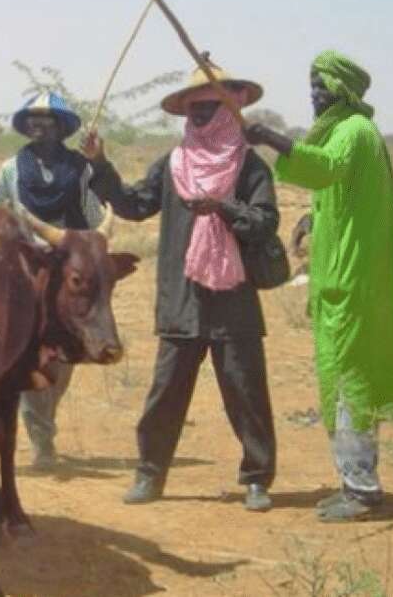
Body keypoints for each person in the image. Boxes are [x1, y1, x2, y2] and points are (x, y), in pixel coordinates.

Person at [81, 59, 279, 512]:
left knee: (246, 391)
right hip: (182, 297)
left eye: (211, 107)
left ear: (231, 109)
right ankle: (150, 474)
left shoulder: (250, 167)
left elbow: (265, 223)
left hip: (234, 299)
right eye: (196, 110)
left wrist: (224, 208)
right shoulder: (173, 164)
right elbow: (133, 205)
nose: (202, 116)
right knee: (165, 393)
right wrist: (100, 164)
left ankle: (256, 478)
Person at [244, 50, 393, 521]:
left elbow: (324, 167)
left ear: (345, 91)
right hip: (343, 282)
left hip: (355, 284)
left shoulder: (354, 132)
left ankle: (361, 489)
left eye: (323, 86)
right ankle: (353, 480)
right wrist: (308, 218)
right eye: (312, 85)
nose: (315, 95)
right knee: (342, 381)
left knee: (351, 384)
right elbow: (339, 190)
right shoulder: (348, 132)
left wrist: (268, 137)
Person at [0, 91, 104, 469]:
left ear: (61, 127)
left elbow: (93, 219)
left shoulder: (81, 169)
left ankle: (45, 421)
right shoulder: (10, 169)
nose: (39, 126)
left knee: (66, 355)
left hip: (69, 273)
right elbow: (2, 217)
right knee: (28, 351)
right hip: (27, 272)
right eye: (33, 120)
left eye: (48, 120)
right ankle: (41, 439)